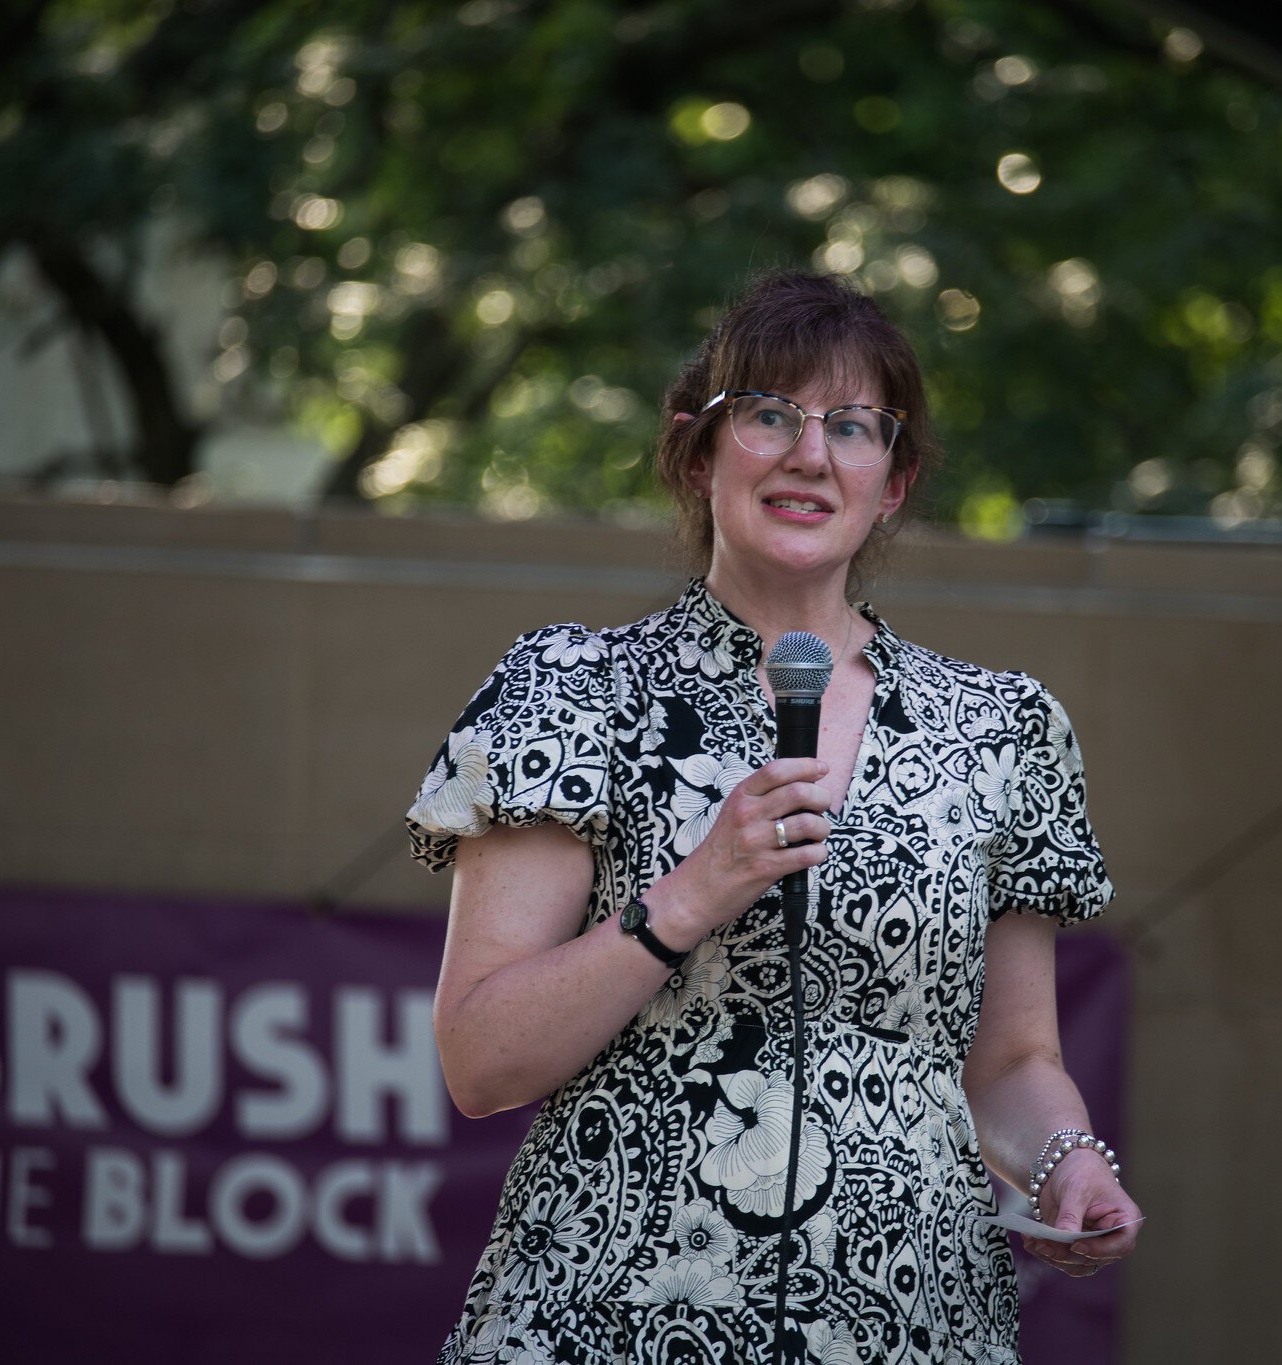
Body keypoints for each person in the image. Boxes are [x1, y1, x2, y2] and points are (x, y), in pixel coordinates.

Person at [408, 271, 1139, 1364]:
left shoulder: (997, 730)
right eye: (768, 415)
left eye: (853, 427)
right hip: (611, 1319)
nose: (810, 455)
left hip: (905, 1323)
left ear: (891, 484)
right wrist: (689, 894)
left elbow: (1012, 1061)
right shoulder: (574, 695)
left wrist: (1062, 1160)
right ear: (697, 455)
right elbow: (480, 1062)